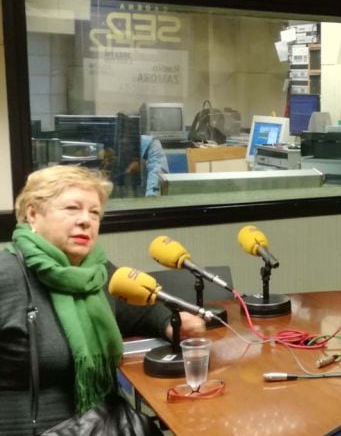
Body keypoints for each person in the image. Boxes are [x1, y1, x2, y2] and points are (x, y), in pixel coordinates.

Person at [0, 165, 205, 435]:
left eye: (94, 212)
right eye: (72, 208)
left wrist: (170, 323)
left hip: (104, 423)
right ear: (33, 215)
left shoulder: (95, 271)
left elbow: (137, 311)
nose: (86, 220)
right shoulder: (7, 274)